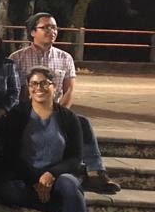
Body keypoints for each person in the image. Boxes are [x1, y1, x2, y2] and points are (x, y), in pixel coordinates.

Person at [0, 66, 101, 212]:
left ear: (54, 86)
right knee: (8, 190)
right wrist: (36, 179)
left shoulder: (68, 118)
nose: (39, 88)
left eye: (44, 83)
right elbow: (9, 155)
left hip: (57, 175)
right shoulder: (17, 115)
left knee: (71, 186)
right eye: (34, 84)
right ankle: (66, 211)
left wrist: (50, 175)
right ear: (28, 89)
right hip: (23, 177)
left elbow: (75, 158)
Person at [9, 13, 120, 194]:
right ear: (32, 32)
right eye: (45, 27)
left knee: (82, 122)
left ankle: (95, 172)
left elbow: (69, 90)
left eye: (54, 27)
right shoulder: (17, 58)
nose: (51, 31)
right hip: (28, 113)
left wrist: (60, 114)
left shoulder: (65, 58)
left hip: (57, 111)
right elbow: (16, 92)